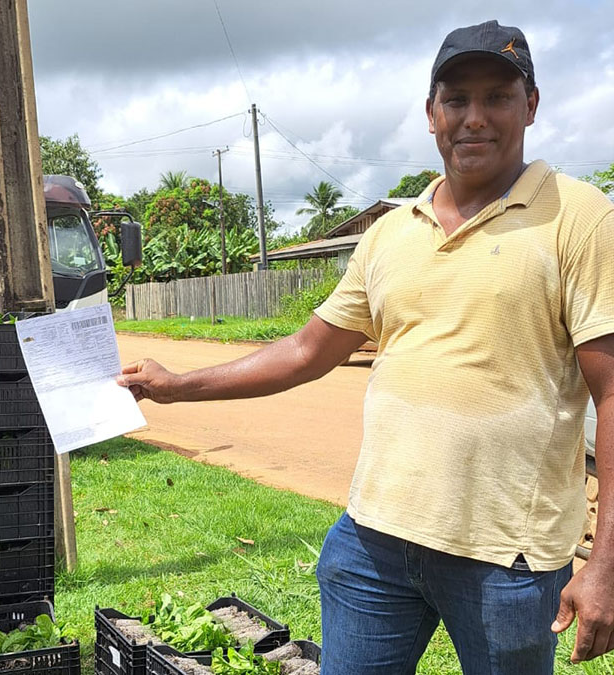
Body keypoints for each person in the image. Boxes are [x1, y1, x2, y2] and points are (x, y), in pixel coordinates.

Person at [119, 20, 613, 673]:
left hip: (506, 561)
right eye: (456, 99)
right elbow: (306, 351)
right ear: (431, 113)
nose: (474, 117)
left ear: (531, 105)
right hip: (373, 544)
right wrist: (176, 385)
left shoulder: (578, 218)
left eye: (497, 97)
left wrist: (607, 562)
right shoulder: (389, 235)